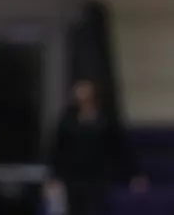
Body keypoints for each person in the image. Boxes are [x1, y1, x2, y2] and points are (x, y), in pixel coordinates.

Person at [44, 79, 145, 215]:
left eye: (85, 88)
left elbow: (121, 148)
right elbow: (57, 150)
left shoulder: (107, 118)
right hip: (72, 174)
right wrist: (53, 177)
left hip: (100, 173)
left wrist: (135, 173)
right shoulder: (67, 119)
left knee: (94, 199)